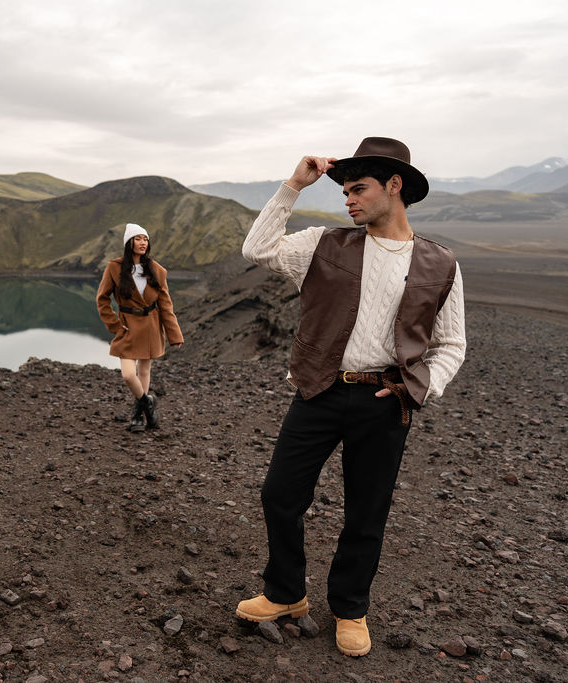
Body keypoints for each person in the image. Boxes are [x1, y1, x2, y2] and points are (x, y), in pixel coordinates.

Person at [234, 137, 466, 656]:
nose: (348, 200)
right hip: (317, 390)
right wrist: (295, 185)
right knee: (280, 495)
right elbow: (257, 249)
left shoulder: (440, 263)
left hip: (385, 402)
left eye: (358, 189)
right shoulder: (322, 244)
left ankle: (351, 609)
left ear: (395, 185)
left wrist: (419, 389)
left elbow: (452, 344)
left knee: (367, 512)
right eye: (344, 191)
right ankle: (286, 594)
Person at [96, 223, 184, 432]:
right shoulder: (114, 268)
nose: (143, 242)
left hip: (152, 325)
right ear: (129, 243)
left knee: (144, 370)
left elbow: (165, 305)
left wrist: (174, 334)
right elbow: (102, 300)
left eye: (145, 239)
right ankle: (148, 403)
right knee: (128, 374)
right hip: (126, 326)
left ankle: (138, 416)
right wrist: (115, 325)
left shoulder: (157, 270)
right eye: (138, 239)